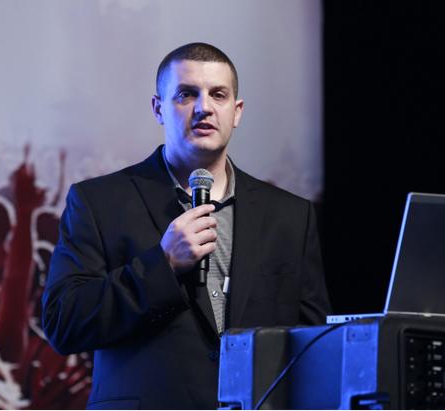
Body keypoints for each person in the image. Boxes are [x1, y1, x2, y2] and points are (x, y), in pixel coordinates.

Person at [42, 42, 332, 409]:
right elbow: (64, 322)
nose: (203, 107)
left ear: (237, 111)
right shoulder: (99, 202)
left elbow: (314, 343)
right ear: (158, 108)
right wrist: (162, 264)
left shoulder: (289, 215)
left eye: (218, 95)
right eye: (186, 94)